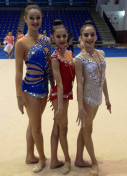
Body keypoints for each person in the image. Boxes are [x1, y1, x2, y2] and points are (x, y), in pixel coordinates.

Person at [14, 1, 53, 173]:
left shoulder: (46, 40)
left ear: (41, 19)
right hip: (30, 89)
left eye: (38, 18)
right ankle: (42, 159)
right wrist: (19, 97)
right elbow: (18, 72)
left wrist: (54, 86)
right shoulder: (21, 43)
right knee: (37, 127)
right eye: (32, 18)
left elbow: (49, 66)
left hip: (44, 88)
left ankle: (30, 155)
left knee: (33, 123)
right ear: (25, 19)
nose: (35, 21)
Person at [74, 20, 111, 176]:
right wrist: (80, 106)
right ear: (81, 37)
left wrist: (107, 98)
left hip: (98, 99)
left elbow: (103, 78)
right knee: (88, 131)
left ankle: (78, 159)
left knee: (85, 129)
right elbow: (79, 85)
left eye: (92, 34)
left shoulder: (100, 53)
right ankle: (94, 163)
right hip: (88, 99)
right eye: (86, 35)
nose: (89, 37)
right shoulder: (79, 59)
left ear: (96, 36)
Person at [49, 20, 74, 175]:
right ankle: (67, 160)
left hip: (66, 95)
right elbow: (59, 82)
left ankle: (53, 160)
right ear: (53, 37)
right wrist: (59, 106)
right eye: (58, 36)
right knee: (63, 128)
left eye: (64, 36)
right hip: (60, 96)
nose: (62, 39)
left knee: (57, 128)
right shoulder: (54, 57)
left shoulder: (69, 53)